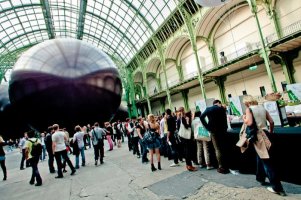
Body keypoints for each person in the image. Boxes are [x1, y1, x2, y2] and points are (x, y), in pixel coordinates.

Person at [242, 95, 286, 196]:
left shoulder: (249, 109)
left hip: (258, 136)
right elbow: (271, 121)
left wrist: (244, 118)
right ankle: (260, 177)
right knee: (261, 156)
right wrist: (270, 131)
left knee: (267, 162)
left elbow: (249, 123)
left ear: (247, 102)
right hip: (266, 133)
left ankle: (277, 187)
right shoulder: (262, 107)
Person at [200, 99, 230, 174]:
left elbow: (201, 117)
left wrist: (207, 127)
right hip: (222, 130)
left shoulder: (208, 109)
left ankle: (221, 166)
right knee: (224, 147)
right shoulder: (222, 109)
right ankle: (227, 165)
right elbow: (225, 120)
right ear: (218, 103)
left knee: (217, 149)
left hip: (213, 131)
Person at [178, 107, 197, 172]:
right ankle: (189, 166)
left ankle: (188, 165)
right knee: (187, 152)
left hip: (184, 137)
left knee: (187, 152)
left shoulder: (183, 117)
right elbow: (187, 126)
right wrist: (188, 121)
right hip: (185, 138)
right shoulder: (185, 118)